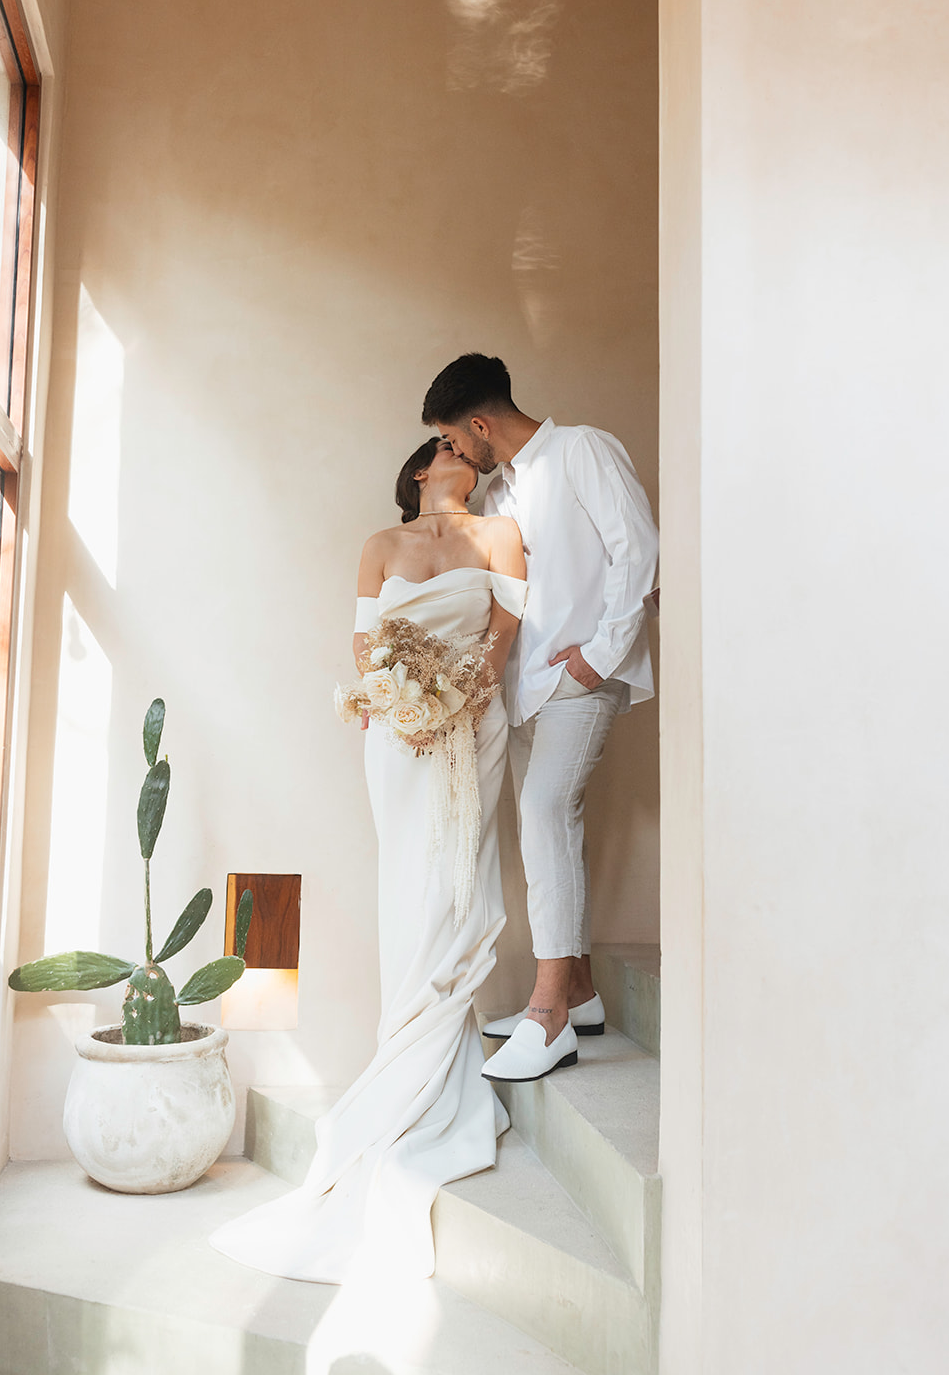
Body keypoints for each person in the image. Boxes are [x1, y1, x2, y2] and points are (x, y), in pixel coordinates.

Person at [210, 437, 526, 1283]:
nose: (464, 451)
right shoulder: (379, 546)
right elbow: (363, 643)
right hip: (394, 732)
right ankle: (406, 1052)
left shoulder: (499, 534)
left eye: (468, 444)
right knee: (407, 887)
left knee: (455, 882)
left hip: (470, 722)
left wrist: (463, 688)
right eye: (448, 446)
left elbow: (505, 626)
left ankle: (429, 1067)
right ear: (421, 471)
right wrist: (396, 697)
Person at [421, 353, 659, 1085]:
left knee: (544, 811)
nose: (456, 455)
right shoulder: (500, 492)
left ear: (480, 423)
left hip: (581, 679)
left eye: (455, 441)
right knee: (549, 824)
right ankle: (580, 989)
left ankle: (548, 1014)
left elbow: (638, 551)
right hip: (525, 689)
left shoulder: (582, 449)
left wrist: (600, 652)